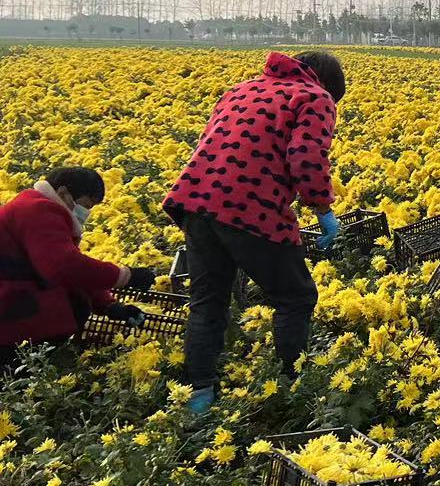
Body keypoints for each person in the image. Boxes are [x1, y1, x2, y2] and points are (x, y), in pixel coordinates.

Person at [165, 51, 344, 413]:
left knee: (208, 300)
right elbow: (306, 157)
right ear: (326, 84)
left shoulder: (242, 89)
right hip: (249, 204)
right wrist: (323, 208)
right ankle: (293, 384)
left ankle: (198, 393)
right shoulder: (314, 97)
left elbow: (212, 142)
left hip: (197, 200)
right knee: (296, 297)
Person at [0, 167, 155, 355]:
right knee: (68, 309)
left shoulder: (38, 207)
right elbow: (64, 266)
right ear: (63, 192)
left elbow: (71, 269)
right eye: (85, 205)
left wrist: (109, 305)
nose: (85, 213)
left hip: (14, 298)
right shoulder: (38, 210)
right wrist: (126, 276)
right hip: (10, 306)